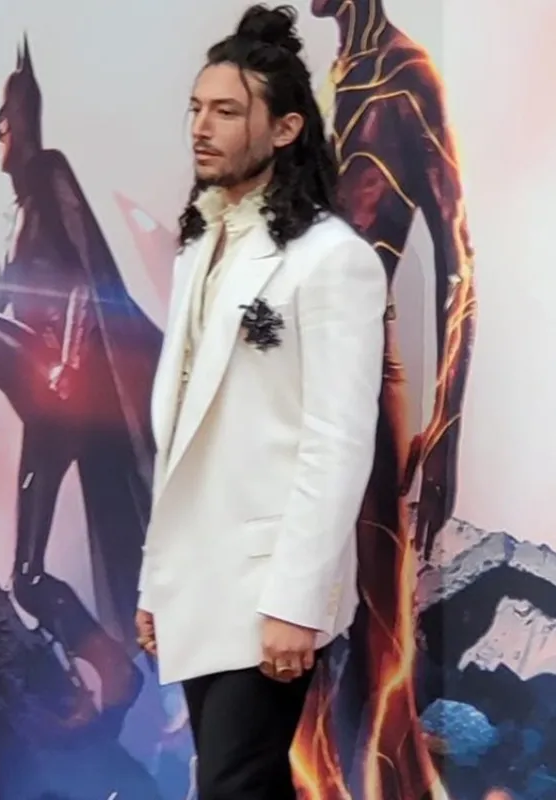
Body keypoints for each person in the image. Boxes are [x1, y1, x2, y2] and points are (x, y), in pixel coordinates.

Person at [136, 4, 386, 798]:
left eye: (225, 111)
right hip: (197, 581)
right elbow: (182, 435)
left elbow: (337, 442)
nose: (200, 128)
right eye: (196, 109)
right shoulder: (199, 246)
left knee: (235, 783)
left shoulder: (333, 259)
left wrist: (296, 603)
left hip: (269, 586)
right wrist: (155, 584)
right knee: (236, 782)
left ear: (284, 129)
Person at [0, 37, 162, 731]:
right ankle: (114, 672)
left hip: (74, 386)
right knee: (27, 577)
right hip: (52, 408)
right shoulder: (16, 215)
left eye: (3, 117)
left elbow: (86, 278)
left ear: (23, 121)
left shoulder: (49, 174)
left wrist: (69, 358)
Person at [302, 1, 476, 796]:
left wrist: (446, 427)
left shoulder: (404, 80)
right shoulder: (331, 76)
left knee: (375, 616)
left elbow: (458, 262)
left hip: (363, 373)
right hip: (292, 373)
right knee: (295, 601)